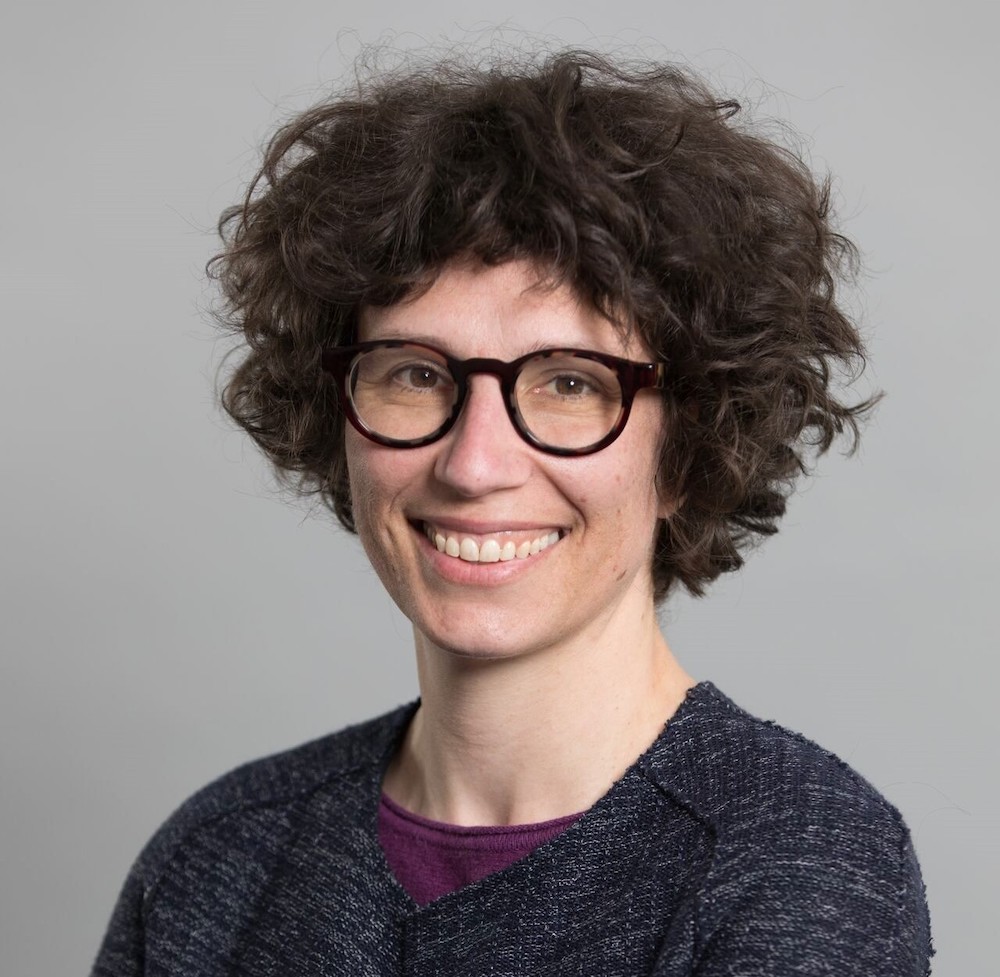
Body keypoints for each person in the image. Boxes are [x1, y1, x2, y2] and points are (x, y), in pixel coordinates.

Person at [91, 49, 933, 975]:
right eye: (416, 374)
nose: (476, 462)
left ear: (689, 449)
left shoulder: (795, 867)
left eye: (571, 383)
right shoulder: (214, 866)